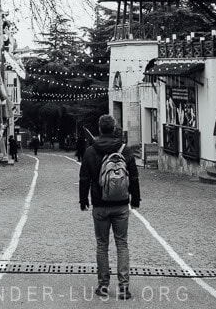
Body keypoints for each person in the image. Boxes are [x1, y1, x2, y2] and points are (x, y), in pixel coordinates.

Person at [79, 115, 140, 300]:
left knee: (102, 245)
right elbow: (134, 177)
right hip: (121, 204)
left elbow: (84, 178)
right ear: (114, 129)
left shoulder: (91, 151)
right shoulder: (125, 150)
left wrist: (83, 200)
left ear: (99, 128)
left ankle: (103, 286)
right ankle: (124, 288)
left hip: (99, 204)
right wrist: (135, 199)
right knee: (122, 244)